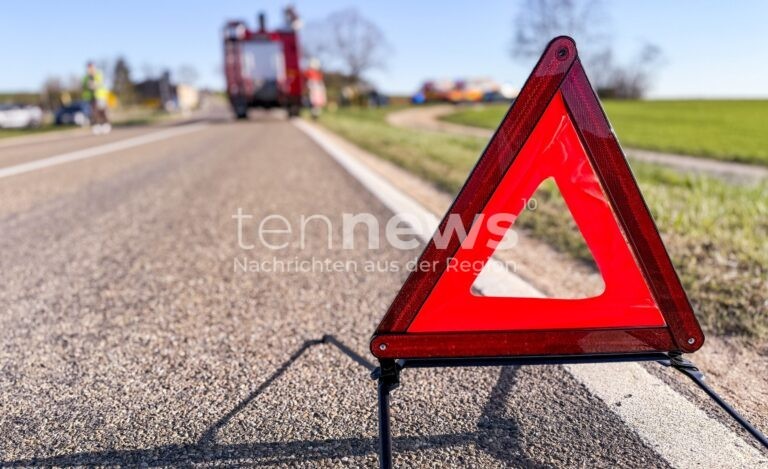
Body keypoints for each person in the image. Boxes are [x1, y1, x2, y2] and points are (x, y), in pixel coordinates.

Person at [82, 62, 111, 134]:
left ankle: (105, 124)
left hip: (100, 96)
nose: (90, 69)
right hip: (91, 97)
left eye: (91, 67)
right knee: (94, 112)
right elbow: (84, 85)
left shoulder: (98, 74)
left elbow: (100, 82)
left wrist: (95, 83)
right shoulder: (86, 77)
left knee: (102, 111)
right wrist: (89, 84)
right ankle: (96, 125)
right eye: (88, 67)